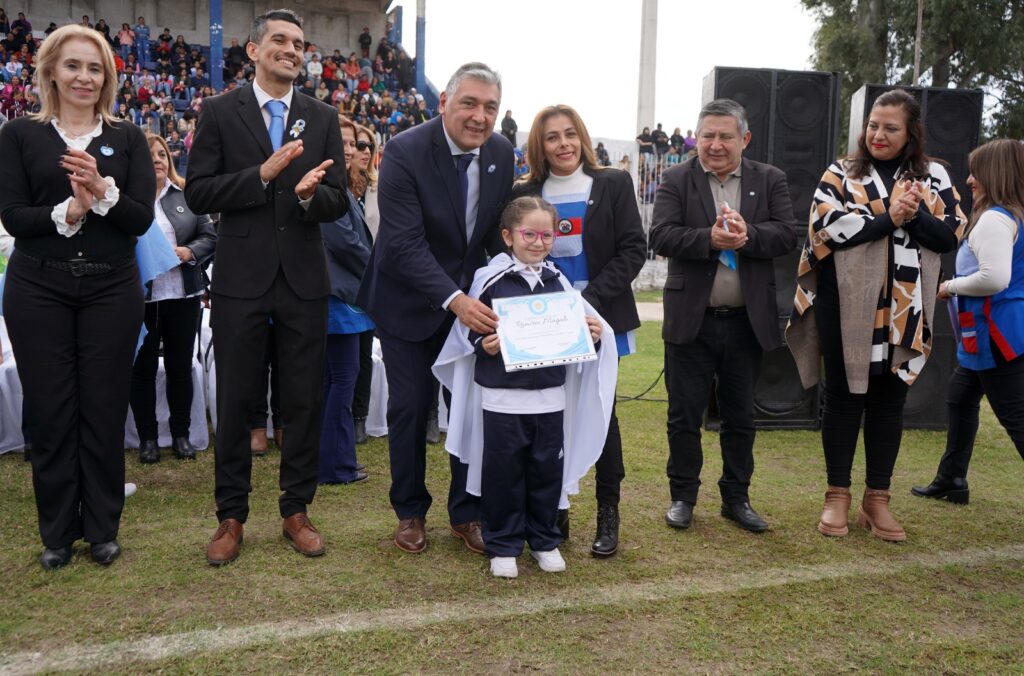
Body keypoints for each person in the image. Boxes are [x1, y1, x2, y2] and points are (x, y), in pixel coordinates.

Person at [184, 8, 347, 565]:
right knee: (235, 401)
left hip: (303, 279)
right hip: (240, 280)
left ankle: (296, 510)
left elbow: (339, 197)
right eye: (279, 40)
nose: (291, 49)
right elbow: (200, 192)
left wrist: (306, 196)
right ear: (252, 50)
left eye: (299, 43)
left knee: (303, 400)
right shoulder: (219, 112)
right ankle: (231, 516)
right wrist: (261, 176)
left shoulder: (322, 116)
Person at [0, 25, 155, 569]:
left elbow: (139, 221)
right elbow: (13, 215)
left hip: (112, 287)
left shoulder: (129, 138)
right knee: (49, 411)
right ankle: (58, 533)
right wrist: (67, 212)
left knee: (104, 406)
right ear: (50, 72)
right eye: (73, 66)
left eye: (95, 68)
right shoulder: (20, 135)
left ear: (108, 77)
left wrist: (103, 189)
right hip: (38, 285)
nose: (84, 77)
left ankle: (102, 527)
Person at [786, 89, 963, 542]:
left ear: (911, 133)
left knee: (889, 400)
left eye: (891, 127)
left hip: (906, 306)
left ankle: (877, 499)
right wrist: (888, 216)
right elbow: (825, 229)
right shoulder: (840, 172)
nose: (878, 135)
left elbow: (949, 235)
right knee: (844, 396)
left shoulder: (934, 174)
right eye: (873, 125)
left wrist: (915, 214)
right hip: (844, 303)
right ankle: (837, 496)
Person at [356, 62, 514, 555]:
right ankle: (409, 511)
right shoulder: (405, 150)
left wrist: (513, 285)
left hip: (469, 306)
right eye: (469, 103)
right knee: (409, 407)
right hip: (408, 301)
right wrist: (454, 299)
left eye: (490, 107)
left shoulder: (502, 153)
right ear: (443, 102)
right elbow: (402, 244)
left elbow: (492, 234)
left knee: (468, 408)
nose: (479, 116)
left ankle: (467, 513)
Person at [434, 196, 614, 578]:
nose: (537, 242)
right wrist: (484, 346)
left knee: (546, 473)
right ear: (507, 236)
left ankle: (544, 540)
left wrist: (593, 337)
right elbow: (466, 339)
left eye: (546, 234)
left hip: (550, 399)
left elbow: (576, 339)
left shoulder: (559, 283)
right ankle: (504, 544)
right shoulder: (490, 281)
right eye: (528, 233)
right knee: (503, 475)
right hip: (501, 401)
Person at [650, 98, 798, 534]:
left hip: (745, 321)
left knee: (740, 417)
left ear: (744, 139)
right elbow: (660, 235)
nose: (714, 145)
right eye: (707, 136)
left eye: (724, 136)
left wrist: (748, 236)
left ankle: (737, 498)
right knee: (683, 415)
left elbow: (788, 234)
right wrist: (709, 239)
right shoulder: (678, 178)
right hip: (691, 321)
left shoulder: (770, 179)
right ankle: (683, 497)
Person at [512, 104, 646, 556]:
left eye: (570, 134)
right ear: (540, 145)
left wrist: (585, 304)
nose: (563, 143)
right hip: (544, 324)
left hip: (597, 318)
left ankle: (608, 513)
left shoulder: (613, 183)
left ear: (582, 137)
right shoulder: (527, 191)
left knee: (602, 417)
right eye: (552, 137)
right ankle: (556, 512)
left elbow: (633, 250)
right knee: (550, 417)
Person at [912, 139, 1024, 505]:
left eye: (977, 171)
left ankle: (952, 477)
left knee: (1016, 418)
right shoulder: (1011, 215)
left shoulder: (995, 218)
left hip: (998, 335)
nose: (970, 179)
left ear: (997, 174)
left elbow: (993, 279)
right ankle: (952, 479)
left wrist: (948, 286)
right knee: (960, 397)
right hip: (991, 334)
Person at [130, 133, 216, 464]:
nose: (157, 160)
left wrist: (188, 251)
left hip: (183, 296)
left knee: (181, 366)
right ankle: (148, 439)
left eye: (162, 155)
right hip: (141, 299)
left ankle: (181, 435)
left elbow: (210, 236)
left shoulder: (187, 197)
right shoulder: (126, 202)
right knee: (143, 368)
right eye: (150, 155)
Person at [318, 115, 373, 485]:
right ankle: (335, 465)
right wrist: (381, 271)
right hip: (339, 301)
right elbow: (347, 244)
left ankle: (337, 462)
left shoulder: (342, 187)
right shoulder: (326, 188)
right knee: (342, 380)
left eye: (353, 143)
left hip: (343, 299)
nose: (349, 149)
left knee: (336, 381)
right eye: (342, 141)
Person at [350, 124, 379, 444]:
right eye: (360, 145)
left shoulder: (377, 187)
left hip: (372, 281)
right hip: (341, 282)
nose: (366, 151)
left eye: (370, 145)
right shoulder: (336, 188)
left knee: (363, 353)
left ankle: (359, 418)